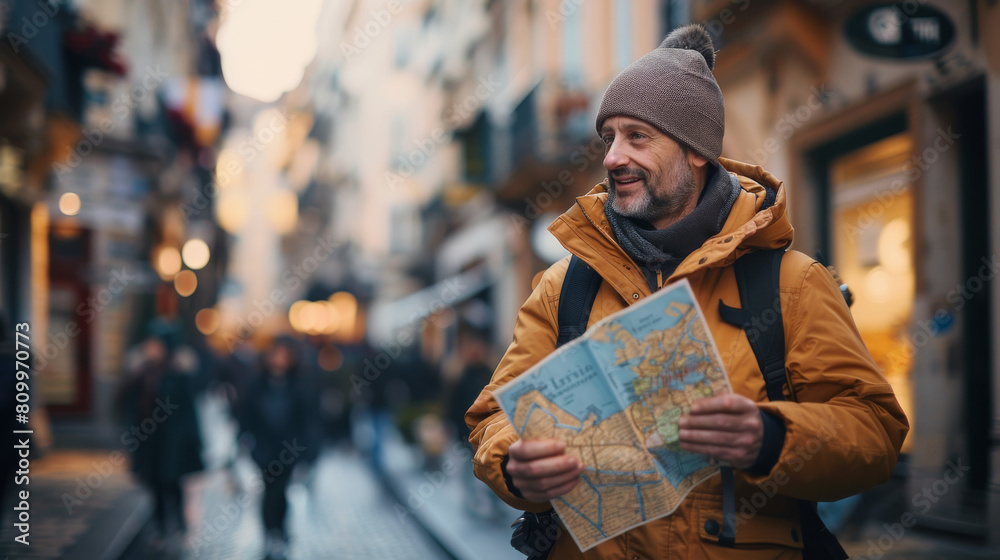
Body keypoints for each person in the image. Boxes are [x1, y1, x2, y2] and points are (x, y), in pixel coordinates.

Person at [466, 24, 909, 559]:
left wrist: (770, 437)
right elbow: (492, 417)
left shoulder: (792, 282)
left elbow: (875, 433)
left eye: (637, 136)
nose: (611, 157)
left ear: (696, 151)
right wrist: (517, 467)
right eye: (609, 137)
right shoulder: (565, 286)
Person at [117, 322, 204, 549]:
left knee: (171, 482)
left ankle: (178, 523)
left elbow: (188, 410)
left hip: (172, 440)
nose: (150, 348)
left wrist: (191, 439)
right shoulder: (142, 370)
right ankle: (161, 525)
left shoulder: (178, 374)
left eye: (155, 344)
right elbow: (126, 403)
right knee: (153, 482)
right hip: (149, 440)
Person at [240, 336, 319, 560]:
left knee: (281, 491)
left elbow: (307, 419)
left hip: (289, 448)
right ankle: (270, 532)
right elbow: (246, 414)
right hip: (264, 448)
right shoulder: (257, 382)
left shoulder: (299, 384)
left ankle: (280, 530)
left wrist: (307, 450)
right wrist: (246, 440)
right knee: (268, 490)